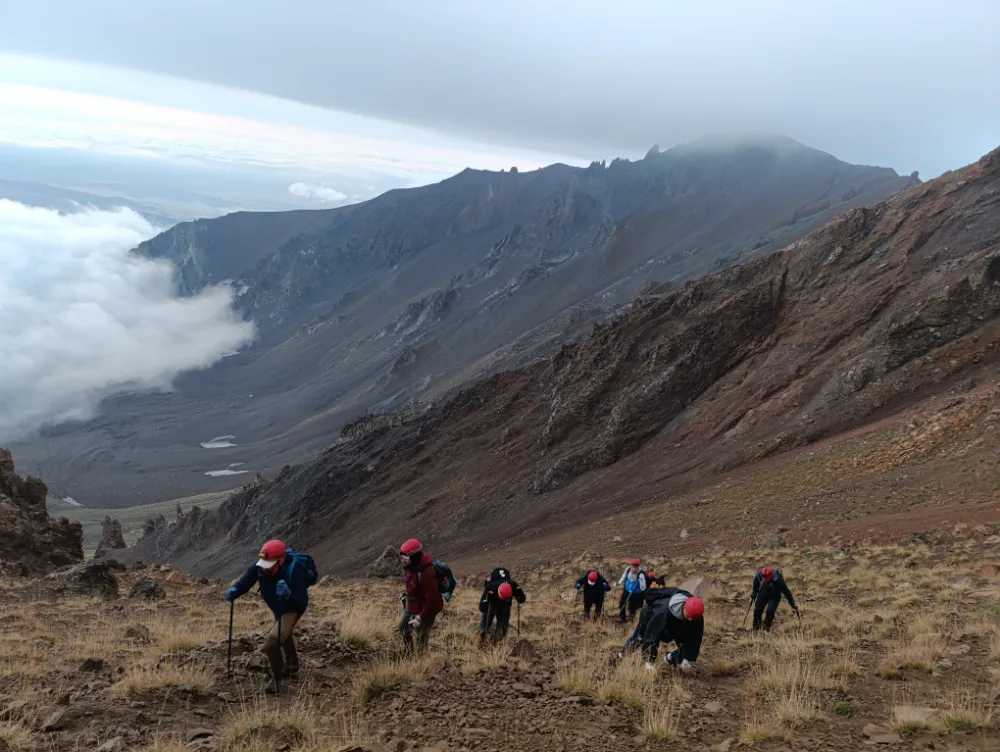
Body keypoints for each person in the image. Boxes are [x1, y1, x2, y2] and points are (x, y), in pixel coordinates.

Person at [226, 539, 314, 694]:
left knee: (272, 643)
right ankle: (293, 666)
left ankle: (276, 678)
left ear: (280, 561)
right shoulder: (260, 567)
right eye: (264, 564)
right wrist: (235, 591)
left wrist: (288, 595)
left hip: (292, 609)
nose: (265, 568)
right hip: (277, 607)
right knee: (284, 634)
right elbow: (246, 581)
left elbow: (301, 601)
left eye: (270, 565)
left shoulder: (295, 570)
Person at [622, 587, 704, 673]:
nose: (690, 619)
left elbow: (694, 638)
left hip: (674, 626)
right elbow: (651, 636)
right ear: (683, 606)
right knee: (638, 639)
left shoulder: (695, 614)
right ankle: (623, 655)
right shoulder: (663, 612)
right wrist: (649, 662)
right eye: (688, 616)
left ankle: (671, 658)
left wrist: (686, 659)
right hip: (649, 619)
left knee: (687, 638)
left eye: (693, 618)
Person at [398, 538, 444, 654]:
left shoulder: (426, 572)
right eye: (403, 557)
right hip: (413, 605)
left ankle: (421, 660)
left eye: (406, 558)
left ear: (414, 557)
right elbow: (415, 586)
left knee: (421, 637)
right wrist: (407, 595)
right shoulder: (410, 567)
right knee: (403, 629)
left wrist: (420, 617)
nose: (403, 560)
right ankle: (409, 653)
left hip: (427, 609)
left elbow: (433, 599)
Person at [477, 567, 526, 646]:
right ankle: (480, 640)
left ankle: (493, 643)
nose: (505, 599)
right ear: (499, 592)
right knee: (485, 626)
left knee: (503, 629)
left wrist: (520, 599)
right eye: (503, 598)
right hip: (492, 604)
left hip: (504, 607)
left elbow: (522, 598)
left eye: (507, 598)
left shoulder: (513, 585)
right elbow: (482, 607)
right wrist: (488, 602)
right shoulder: (490, 587)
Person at [751, 566, 798, 631]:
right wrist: (754, 594)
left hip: (775, 596)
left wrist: (793, 604)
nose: (765, 579)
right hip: (763, 593)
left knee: (770, 612)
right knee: (757, 611)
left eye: (767, 578)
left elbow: (787, 592)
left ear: (771, 576)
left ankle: (766, 628)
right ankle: (756, 628)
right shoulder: (759, 575)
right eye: (764, 578)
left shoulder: (778, 580)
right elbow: (755, 584)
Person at [617, 558, 647, 622]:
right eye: (633, 567)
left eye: (635, 567)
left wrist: (641, 580)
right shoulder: (628, 570)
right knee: (622, 602)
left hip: (636, 593)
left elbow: (643, 588)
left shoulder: (641, 574)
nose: (633, 569)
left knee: (632, 607)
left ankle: (632, 618)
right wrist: (619, 583)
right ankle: (622, 618)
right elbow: (623, 576)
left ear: (638, 567)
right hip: (627, 589)